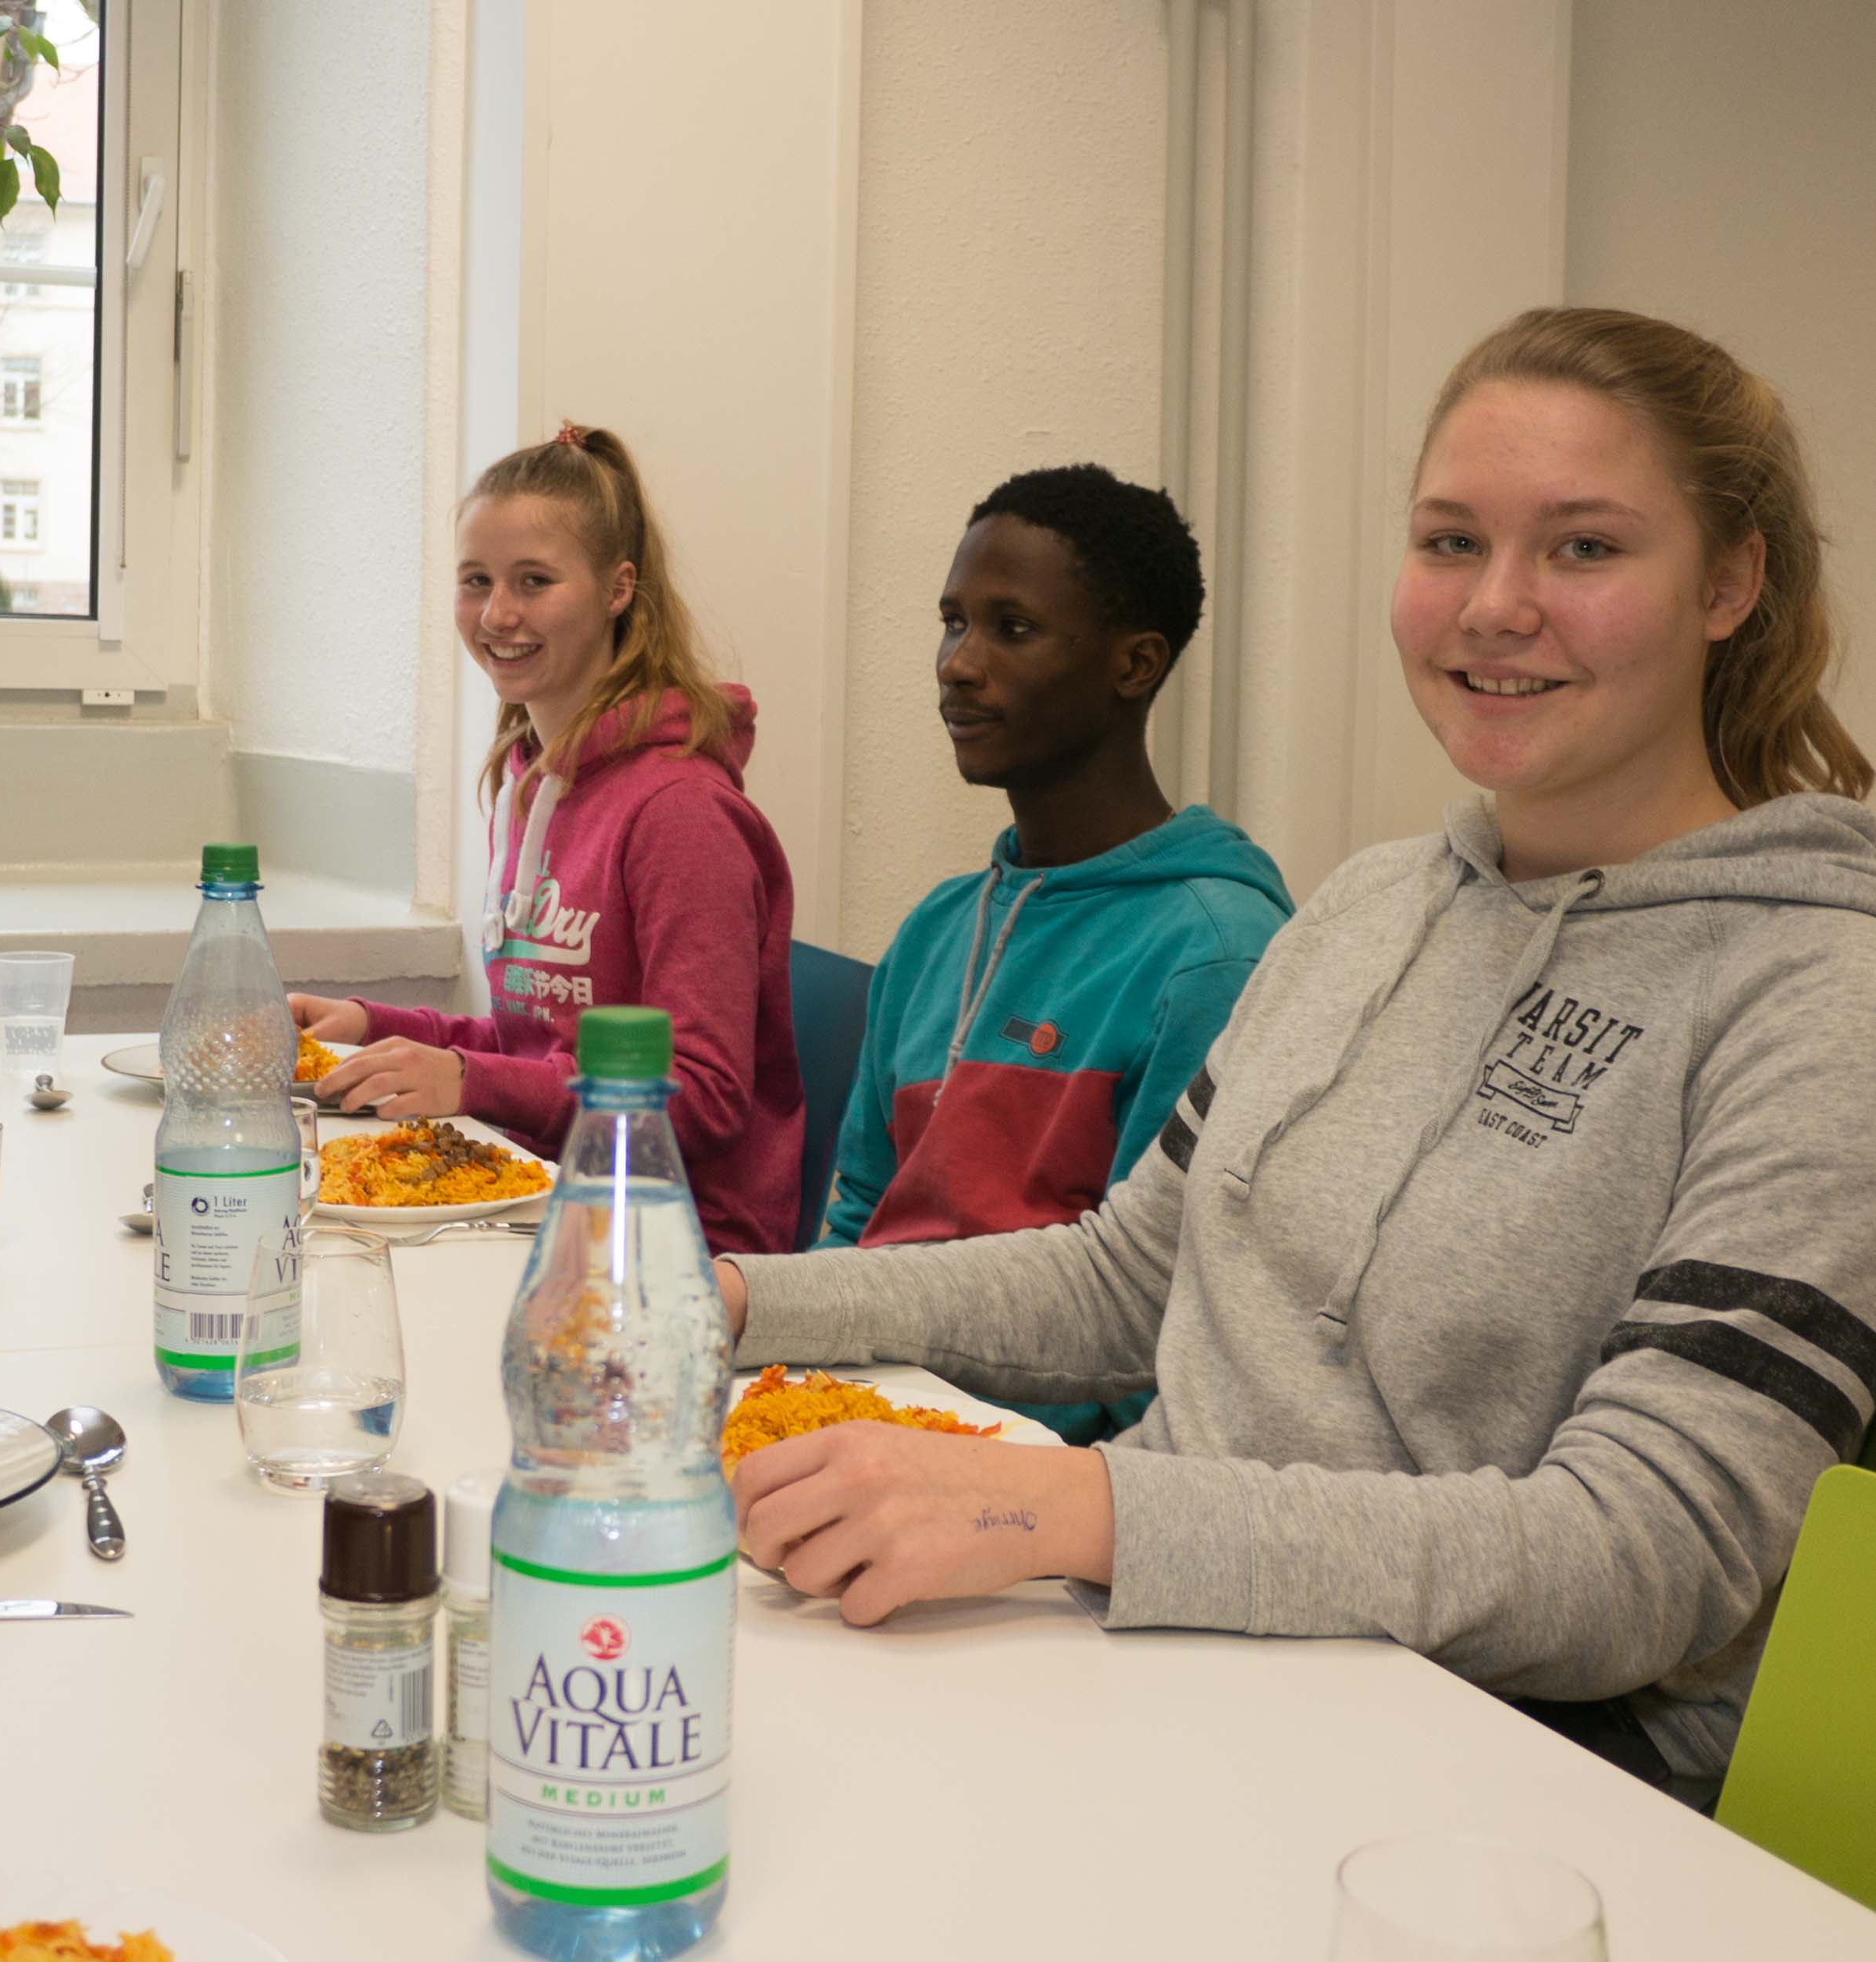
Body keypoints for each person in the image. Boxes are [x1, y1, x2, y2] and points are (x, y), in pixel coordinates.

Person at [716, 308, 1876, 1803]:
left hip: (1485, 1776)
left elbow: (1635, 1550)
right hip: (1162, 1659)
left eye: (1582, 548)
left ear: (1727, 583)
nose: (1494, 606)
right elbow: (1120, 1278)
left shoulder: (1815, 992)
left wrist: (1076, 1509)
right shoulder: (1366, 907)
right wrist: (731, 1297)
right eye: (1449, 542)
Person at [817, 465, 1290, 1441]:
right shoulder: (938, 928)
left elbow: (1157, 1322)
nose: (958, 660)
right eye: (953, 621)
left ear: (1134, 664)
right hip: (861, 1407)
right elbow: (861, 1211)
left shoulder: (1212, 953)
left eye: (1011, 628)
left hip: (1022, 1469)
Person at [290, 422, 804, 1255]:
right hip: (542, 1201)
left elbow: (705, 1098)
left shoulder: (680, 813)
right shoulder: (530, 779)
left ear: (616, 588)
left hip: (679, 1248)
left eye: (534, 580)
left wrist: (468, 1079)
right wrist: (369, 1024)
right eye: (475, 580)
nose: (498, 614)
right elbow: (534, 1047)